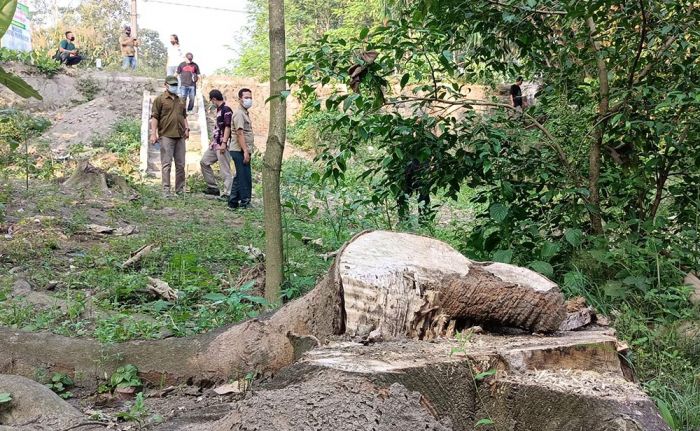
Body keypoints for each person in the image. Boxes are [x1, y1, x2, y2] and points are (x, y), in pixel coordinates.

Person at [150, 75, 190, 196]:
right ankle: (166, 190)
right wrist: (153, 133)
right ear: (166, 85)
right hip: (166, 135)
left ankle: (180, 189)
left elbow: (184, 115)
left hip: (180, 135)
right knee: (166, 164)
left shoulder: (181, 100)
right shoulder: (160, 99)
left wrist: (187, 128)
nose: (174, 87)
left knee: (181, 164)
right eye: (171, 85)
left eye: (175, 85)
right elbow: (155, 117)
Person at [200, 89, 233, 199]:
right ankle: (212, 187)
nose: (211, 103)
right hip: (215, 144)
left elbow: (228, 127)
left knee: (225, 170)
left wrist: (224, 143)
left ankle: (228, 193)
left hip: (222, 144)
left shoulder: (226, 110)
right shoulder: (219, 110)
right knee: (204, 162)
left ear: (214, 99)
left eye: (211, 101)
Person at [228, 88, 254, 209]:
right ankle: (245, 201)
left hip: (241, 149)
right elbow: (240, 133)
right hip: (239, 150)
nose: (249, 100)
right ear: (240, 99)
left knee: (240, 176)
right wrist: (245, 151)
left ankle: (232, 202)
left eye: (250, 97)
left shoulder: (244, 113)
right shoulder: (239, 114)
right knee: (244, 177)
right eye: (246, 97)